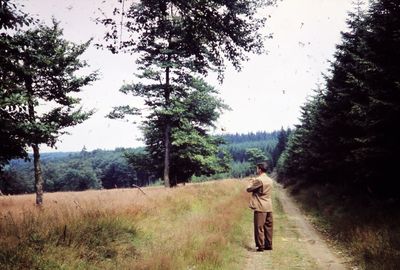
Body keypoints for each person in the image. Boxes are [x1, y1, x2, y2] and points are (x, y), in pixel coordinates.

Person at [246, 162, 273, 252]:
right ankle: (268, 245)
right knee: (268, 226)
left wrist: (251, 181)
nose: (256, 170)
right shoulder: (270, 180)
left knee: (259, 227)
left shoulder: (258, 180)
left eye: (257, 168)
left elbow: (249, 189)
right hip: (269, 206)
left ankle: (260, 246)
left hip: (260, 206)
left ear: (260, 169)